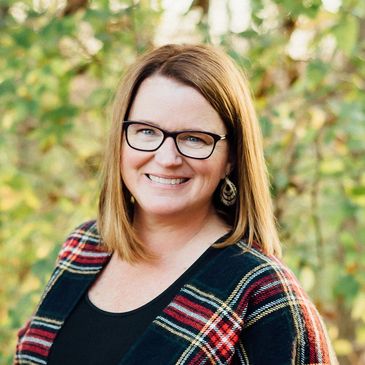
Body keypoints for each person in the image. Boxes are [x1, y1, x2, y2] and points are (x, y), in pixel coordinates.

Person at [15, 44, 338, 364]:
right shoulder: (84, 247)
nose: (167, 158)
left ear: (232, 157)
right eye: (145, 131)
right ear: (120, 140)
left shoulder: (263, 292)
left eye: (194, 138)